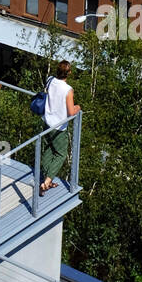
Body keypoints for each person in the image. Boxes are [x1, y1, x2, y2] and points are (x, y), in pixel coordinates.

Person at [40, 59, 81, 196]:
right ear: (68, 73)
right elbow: (70, 112)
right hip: (58, 127)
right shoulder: (68, 90)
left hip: (47, 121)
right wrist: (78, 107)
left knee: (48, 150)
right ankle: (46, 182)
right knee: (60, 154)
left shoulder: (50, 80)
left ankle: (46, 179)